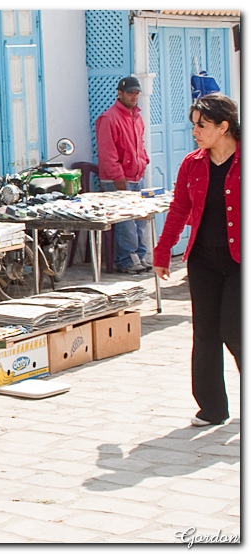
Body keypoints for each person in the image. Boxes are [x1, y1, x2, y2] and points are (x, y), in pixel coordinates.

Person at [153, 93, 240, 428]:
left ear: (223, 127)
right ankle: (212, 408)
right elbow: (179, 210)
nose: (195, 131)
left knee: (234, 330)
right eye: (194, 125)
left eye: (202, 125)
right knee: (205, 333)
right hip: (203, 261)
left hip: (239, 263)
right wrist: (163, 252)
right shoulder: (192, 163)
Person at [95, 75, 152, 274]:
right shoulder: (109, 118)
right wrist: (118, 176)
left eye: (136, 93)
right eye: (130, 93)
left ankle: (140, 257)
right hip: (117, 179)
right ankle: (126, 260)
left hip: (136, 176)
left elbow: (140, 145)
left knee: (141, 220)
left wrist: (144, 161)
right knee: (126, 223)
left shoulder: (136, 117)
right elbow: (107, 151)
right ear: (120, 93)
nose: (134, 96)